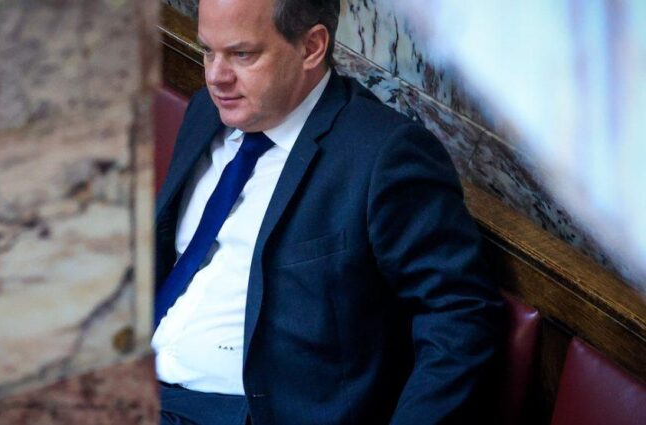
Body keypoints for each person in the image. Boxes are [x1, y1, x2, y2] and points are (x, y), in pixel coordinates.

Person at [152, 0, 504, 423]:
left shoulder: (383, 156)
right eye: (208, 50)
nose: (215, 76)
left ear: (312, 47)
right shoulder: (208, 112)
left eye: (242, 54)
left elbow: (461, 314)